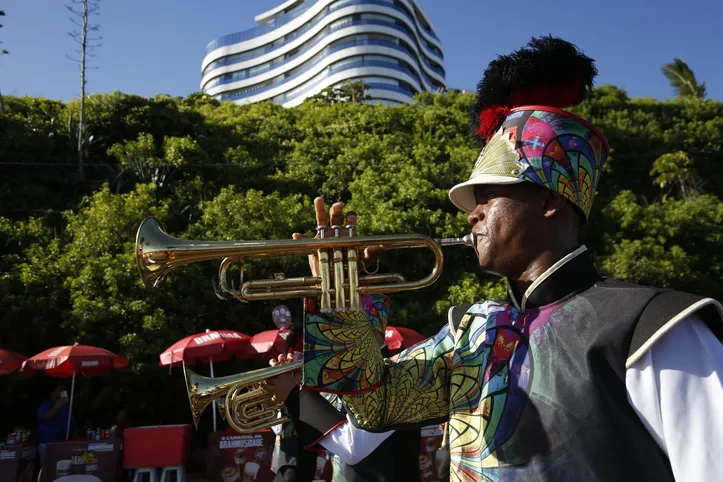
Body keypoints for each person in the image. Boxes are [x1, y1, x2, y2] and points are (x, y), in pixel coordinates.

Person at [275, 36, 723, 481]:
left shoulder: (652, 326)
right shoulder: (471, 331)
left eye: (489, 196)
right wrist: (344, 300)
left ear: (550, 200)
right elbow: (372, 407)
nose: (473, 213)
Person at [37, 383, 70, 466]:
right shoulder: (46, 404)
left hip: (62, 442)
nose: (63, 392)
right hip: (47, 443)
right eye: (60, 390)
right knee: (47, 468)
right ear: (53, 393)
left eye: (64, 390)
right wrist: (56, 406)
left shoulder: (66, 407)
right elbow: (45, 417)